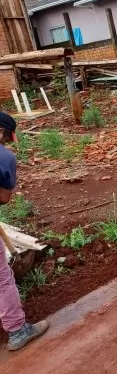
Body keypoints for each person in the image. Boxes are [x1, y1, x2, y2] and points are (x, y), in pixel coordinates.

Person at [0, 113, 48, 351]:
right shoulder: (4, 157)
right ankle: (17, 330)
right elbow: (4, 197)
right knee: (2, 279)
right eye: (7, 137)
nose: (7, 142)